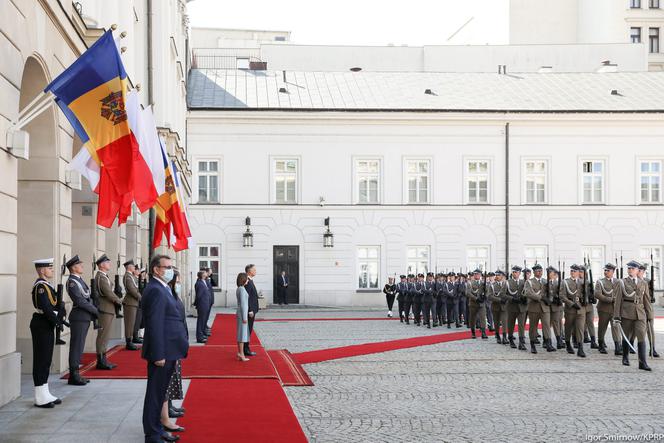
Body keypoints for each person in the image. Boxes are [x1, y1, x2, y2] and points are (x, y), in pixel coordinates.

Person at [142, 254, 189, 443]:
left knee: (161, 393)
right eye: (167, 267)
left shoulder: (162, 288)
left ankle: (158, 428)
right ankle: (152, 434)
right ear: (156, 269)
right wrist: (158, 354)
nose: (170, 270)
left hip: (170, 349)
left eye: (171, 267)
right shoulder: (155, 289)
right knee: (155, 395)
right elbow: (154, 325)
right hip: (162, 352)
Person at [30, 258, 63, 408]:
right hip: (42, 323)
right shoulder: (40, 287)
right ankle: (39, 396)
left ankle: (45, 392)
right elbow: (46, 307)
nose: (51, 270)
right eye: (49, 268)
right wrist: (56, 320)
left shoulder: (47, 285)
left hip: (46, 323)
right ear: (42, 270)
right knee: (41, 360)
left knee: (46, 360)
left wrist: (60, 313)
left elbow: (54, 304)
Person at [65, 255, 97, 386]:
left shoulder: (79, 279)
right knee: (76, 346)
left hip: (84, 316)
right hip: (79, 316)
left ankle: (76, 374)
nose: (82, 266)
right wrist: (95, 311)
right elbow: (80, 301)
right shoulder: (72, 282)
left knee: (80, 346)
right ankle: (74, 375)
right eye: (80, 265)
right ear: (73, 267)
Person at [614, 260, 652, 371]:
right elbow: (618, 300)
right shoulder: (622, 282)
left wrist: (649, 314)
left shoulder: (643, 283)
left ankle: (642, 362)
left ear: (637, 271)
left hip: (640, 313)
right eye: (629, 268)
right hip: (626, 312)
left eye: (632, 269)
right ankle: (625, 357)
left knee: (641, 336)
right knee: (626, 336)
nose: (630, 270)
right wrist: (617, 316)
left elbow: (647, 300)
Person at [162, 270, 186, 434]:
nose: (179, 283)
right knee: (166, 381)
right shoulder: (165, 294)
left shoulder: (173, 294)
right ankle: (165, 414)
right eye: (178, 280)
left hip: (175, 343)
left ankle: (169, 407)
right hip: (168, 345)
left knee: (173, 377)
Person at [95, 254, 122, 370]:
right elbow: (107, 292)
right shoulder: (100, 277)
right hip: (105, 309)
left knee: (106, 336)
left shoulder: (104, 276)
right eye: (107, 262)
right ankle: (100, 361)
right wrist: (119, 301)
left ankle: (104, 359)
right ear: (101, 265)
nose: (109, 264)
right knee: (103, 336)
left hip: (108, 309)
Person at [525, 264, 555, 353]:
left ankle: (548, 344)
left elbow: (551, 292)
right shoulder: (529, 282)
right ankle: (532, 345)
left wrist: (550, 299)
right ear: (534, 272)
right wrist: (541, 298)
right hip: (534, 308)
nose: (540, 272)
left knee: (546, 326)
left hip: (545, 308)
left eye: (541, 271)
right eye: (538, 271)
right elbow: (528, 293)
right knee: (533, 327)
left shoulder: (546, 281)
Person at [594, 263, 621, 355]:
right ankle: (601, 344)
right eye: (605, 270)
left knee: (615, 327)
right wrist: (610, 299)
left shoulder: (618, 282)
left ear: (613, 272)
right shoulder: (600, 282)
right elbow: (597, 294)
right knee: (602, 327)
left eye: (608, 270)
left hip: (615, 309)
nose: (606, 272)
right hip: (603, 309)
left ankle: (617, 347)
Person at [560, 264, 586, 358]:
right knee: (568, 328)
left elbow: (588, 293)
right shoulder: (565, 282)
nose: (573, 273)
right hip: (570, 308)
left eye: (575, 271)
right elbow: (562, 295)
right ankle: (568, 344)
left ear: (579, 272)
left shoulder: (584, 282)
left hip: (581, 308)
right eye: (572, 271)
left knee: (580, 328)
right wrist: (571, 303)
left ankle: (580, 348)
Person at [506, 266, 527, 350]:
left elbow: (527, 292)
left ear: (519, 273)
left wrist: (525, 299)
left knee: (521, 325)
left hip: (522, 307)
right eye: (513, 272)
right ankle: (511, 339)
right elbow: (503, 294)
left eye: (516, 272)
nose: (515, 273)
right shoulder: (507, 282)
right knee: (511, 324)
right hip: (512, 307)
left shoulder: (524, 282)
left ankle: (521, 342)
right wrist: (512, 298)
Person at [123, 259, 140, 351]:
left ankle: (130, 340)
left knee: (132, 323)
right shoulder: (128, 277)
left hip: (133, 302)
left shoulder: (131, 276)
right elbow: (132, 290)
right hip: (130, 302)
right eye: (133, 266)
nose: (134, 267)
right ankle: (128, 342)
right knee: (129, 323)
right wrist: (141, 298)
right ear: (129, 267)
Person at [466, 269, 487, 339]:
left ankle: (483, 332)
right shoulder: (470, 283)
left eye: (478, 274)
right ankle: (473, 332)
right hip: (473, 303)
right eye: (475, 274)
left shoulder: (483, 283)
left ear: (480, 275)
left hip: (481, 304)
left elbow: (487, 292)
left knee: (483, 318)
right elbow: (468, 293)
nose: (476, 275)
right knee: (473, 318)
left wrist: (484, 297)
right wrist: (476, 298)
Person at [489, 270, 508, 344]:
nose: (497, 276)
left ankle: (504, 337)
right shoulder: (492, 285)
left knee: (504, 322)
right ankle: (497, 336)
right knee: (496, 323)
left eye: (498, 275)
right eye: (496, 275)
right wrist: (499, 300)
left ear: (502, 276)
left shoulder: (506, 285)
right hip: (495, 306)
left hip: (504, 307)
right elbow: (489, 296)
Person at [244, 264, 259, 356]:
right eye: (254, 269)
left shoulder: (250, 280)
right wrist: (250, 310)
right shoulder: (247, 282)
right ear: (249, 271)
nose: (255, 271)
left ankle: (246, 348)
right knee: (248, 330)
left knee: (249, 330)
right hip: (250, 311)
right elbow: (247, 297)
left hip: (252, 310)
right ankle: (246, 349)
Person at [236, 272, 250, 361]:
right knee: (242, 334)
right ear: (243, 279)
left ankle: (240, 353)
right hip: (242, 314)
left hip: (241, 313)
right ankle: (241, 354)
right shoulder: (242, 289)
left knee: (241, 333)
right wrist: (245, 317)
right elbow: (243, 305)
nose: (248, 280)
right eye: (247, 279)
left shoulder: (240, 288)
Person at [193, 270, 210, 343]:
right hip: (202, 305)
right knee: (200, 321)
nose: (206, 273)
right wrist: (196, 304)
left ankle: (202, 334)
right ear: (202, 275)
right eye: (205, 273)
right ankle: (199, 337)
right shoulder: (199, 283)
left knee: (203, 321)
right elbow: (198, 295)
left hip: (205, 304)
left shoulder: (203, 281)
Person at [204, 269, 214, 337]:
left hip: (209, 300)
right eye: (210, 271)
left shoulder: (208, 279)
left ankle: (205, 326)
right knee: (204, 317)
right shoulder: (205, 280)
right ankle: (204, 328)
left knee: (207, 316)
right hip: (206, 301)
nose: (211, 273)